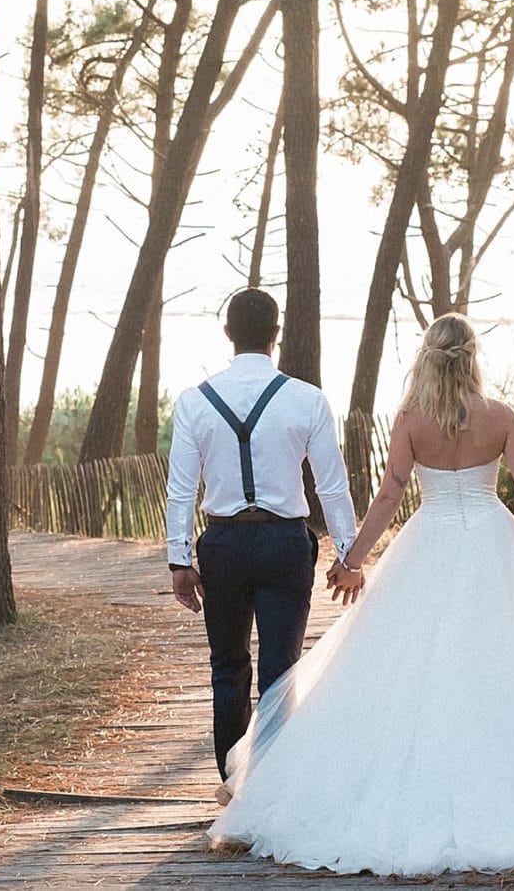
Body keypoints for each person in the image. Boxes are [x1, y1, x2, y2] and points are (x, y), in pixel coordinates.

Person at [205, 313, 514, 876]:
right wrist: (506, 540)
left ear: (427, 356)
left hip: (426, 541)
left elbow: (388, 497)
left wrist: (350, 559)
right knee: (508, 666)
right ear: (473, 356)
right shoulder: (500, 416)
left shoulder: (411, 419)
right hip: (489, 540)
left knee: (408, 664)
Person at [162, 288, 363, 787]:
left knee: (227, 667)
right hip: (284, 545)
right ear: (277, 335)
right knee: (280, 671)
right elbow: (332, 485)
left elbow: (181, 490)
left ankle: (234, 786)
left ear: (227, 333)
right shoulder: (306, 400)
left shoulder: (195, 402)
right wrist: (348, 555)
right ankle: (271, 790)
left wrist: (179, 561)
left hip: (223, 546)